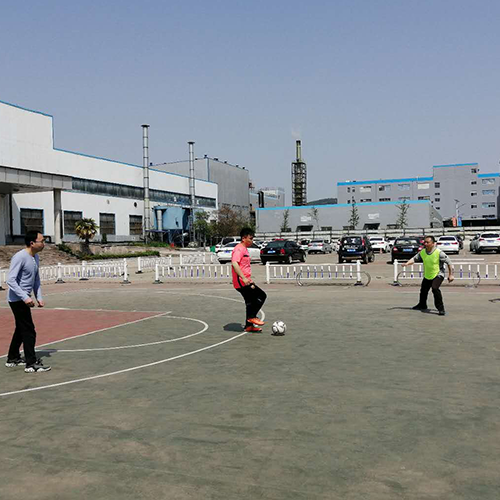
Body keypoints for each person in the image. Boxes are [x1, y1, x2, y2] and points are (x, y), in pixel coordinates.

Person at [5, 230, 51, 372]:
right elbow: (10, 280)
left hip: (25, 298)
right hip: (17, 299)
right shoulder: (20, 257)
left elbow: (36, 280)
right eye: (41, 241)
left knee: (21, 329)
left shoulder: (35, 257)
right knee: (29, 331)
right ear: (32, 243)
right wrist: (25, 297)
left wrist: (39, 297)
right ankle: (31, 364)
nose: (44, 244)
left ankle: (12, 358)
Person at [402, 235, 454, 316]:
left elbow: (449, 263)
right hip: (428, 275)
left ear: (433, 243)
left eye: (427, 242)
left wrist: (451, 275)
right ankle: (422, 305)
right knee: (423, 290)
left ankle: (441, 309)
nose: (425, 244)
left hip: (438, 274)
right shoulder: (422, 252)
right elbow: (414, 259)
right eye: (424, 242)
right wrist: (407, 263)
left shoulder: (439, 253)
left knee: (435, 288)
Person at [231, 227, 267, 332]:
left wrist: (249, 279)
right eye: (250, 238)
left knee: (250, 302)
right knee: (261, 295)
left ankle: (249, 326)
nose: (252, 241)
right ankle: (252, 317)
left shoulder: (244, 249)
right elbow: (234, 263)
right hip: (241, 282)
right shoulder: (239, 249)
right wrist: (243, 278)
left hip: (246, 281)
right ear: (243, 238)